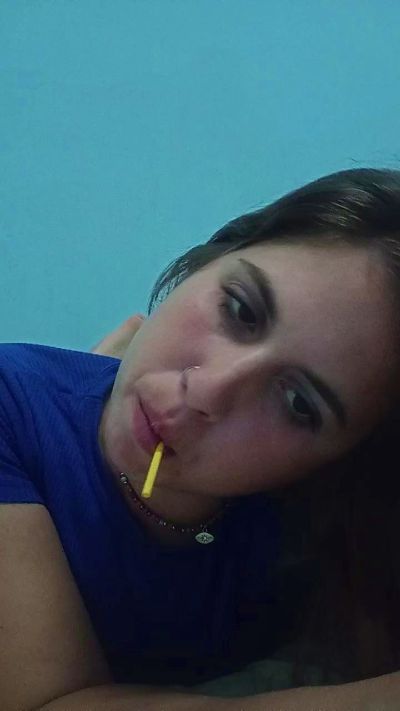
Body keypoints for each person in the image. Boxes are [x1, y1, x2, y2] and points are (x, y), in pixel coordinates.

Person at [1, 168, 400, 711]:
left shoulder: (317, 522)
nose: (208, 390)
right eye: (240, 310)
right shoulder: (13, 407)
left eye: (298, 404)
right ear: (216, 255)